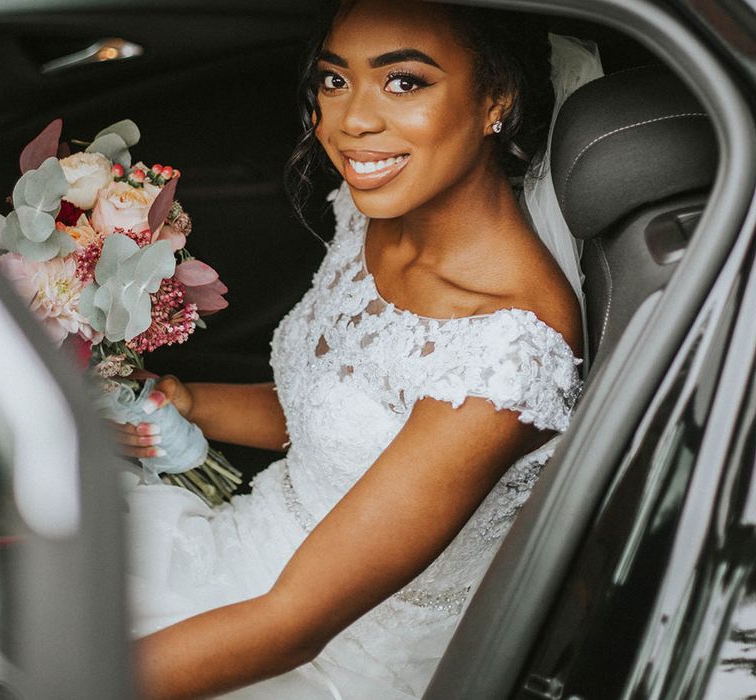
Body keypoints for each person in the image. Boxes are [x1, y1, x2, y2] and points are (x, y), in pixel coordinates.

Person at [117, 1, 586, 697]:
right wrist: (188, 401)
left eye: (404, 82)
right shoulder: (371, 214)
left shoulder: (504, 353)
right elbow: (337, 422)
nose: (350, 121)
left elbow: (292, 625)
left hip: (323, 654)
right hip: (252, 551)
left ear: (497, 100)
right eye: (335, 81)